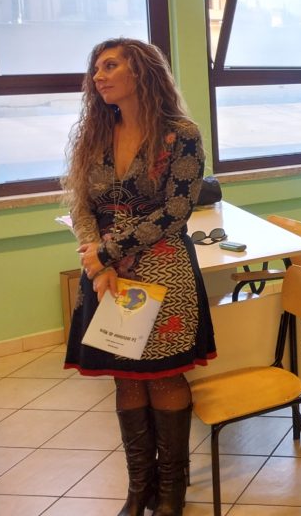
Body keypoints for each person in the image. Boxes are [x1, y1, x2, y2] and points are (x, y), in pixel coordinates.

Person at [63, 38, 216, 516]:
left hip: (163, 270)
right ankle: (139, 489)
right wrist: (96, 258)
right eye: (96, 68)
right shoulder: (95, 133)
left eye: (111, 65)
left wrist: (106, 254)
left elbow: (176, 211)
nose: (98, 76)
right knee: (127, 379)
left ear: (141, 72)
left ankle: (171, 492)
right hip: (107, 276)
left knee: (164, 377)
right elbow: (81, 206)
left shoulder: (180, 134)